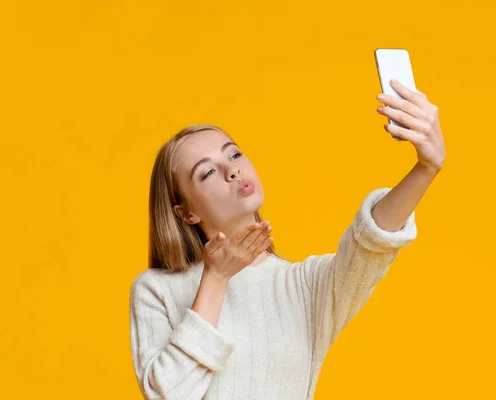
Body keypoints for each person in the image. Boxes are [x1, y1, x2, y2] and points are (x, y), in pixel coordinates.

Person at [129, 79, 445, 400]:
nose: (232, 171)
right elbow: (168, 394)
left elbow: (369, 243)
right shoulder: (157, 289)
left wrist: (425, 167)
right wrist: (216, 279)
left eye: (235, 155)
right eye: (208, 172)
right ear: (186, 214)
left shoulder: (305, 287)